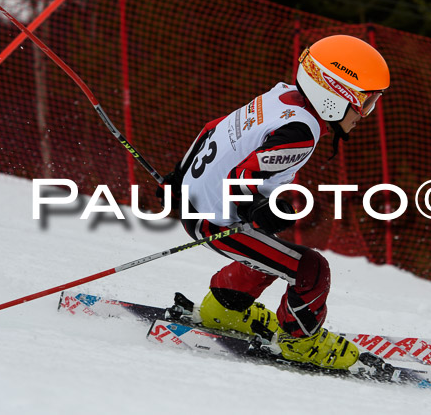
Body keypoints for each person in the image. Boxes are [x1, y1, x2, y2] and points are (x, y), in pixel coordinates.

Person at [158, 35, 390, 370]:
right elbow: (242, 175)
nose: (364, 115)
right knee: (310, 271)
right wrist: (255, 210)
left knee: (273, 255)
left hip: (197, 204)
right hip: (217, 222)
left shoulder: (281, 96)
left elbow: (211, 130)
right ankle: (300, 342)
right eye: (365, 103)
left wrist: (178, 177)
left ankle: (223, 311)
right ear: (333, 96)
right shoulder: (301, 131)